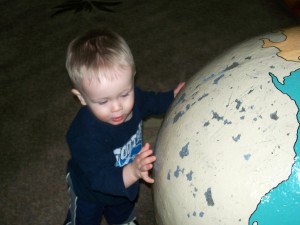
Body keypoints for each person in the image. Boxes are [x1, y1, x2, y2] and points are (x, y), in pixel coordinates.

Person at [63, 28, 185, 225]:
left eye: (124, 94)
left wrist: (171, 97)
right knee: (85, 219)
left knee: (122, 207)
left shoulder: (133, 99)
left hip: (124, 184)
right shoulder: (83, 136)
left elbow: (149, 101)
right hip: (90, 191)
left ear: (133, 77)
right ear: (81, 98)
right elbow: (100, 178)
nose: (117, 107)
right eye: (103, 102)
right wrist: (132, 172)